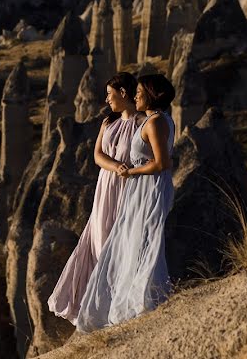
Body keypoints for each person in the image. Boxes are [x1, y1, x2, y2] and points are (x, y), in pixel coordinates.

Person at [75, 73, 177, 333]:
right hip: (141, 188)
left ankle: (145, 299)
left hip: (147, 188)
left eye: (141, 92)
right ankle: (138, 297)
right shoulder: (156, 120)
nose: (137, 96)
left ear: (152, 94)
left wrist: (130, 172)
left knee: (143, 243)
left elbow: (162, 164)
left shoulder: (153, 123)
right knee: (137, 243)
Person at [47, 72, 141, 324]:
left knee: (120, 242)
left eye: (110, 94)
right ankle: (99, 306)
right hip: (107, 185)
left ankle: (119, 306)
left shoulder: (143, 122)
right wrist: (116, 166)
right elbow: (98, 155)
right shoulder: (108, 122)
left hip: (128, 187)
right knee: (99, 240)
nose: (107, 100)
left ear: (124, 93)